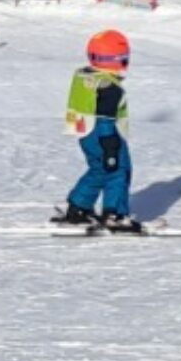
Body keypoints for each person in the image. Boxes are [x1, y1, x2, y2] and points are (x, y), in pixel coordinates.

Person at [56, 30, 143, 231]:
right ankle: (115, 214)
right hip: (105, 134)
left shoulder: (85, 76)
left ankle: (79, 208)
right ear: (120, 59)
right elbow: (105, 118)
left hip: (85, 133)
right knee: (118, 170)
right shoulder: (110, 87)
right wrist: (110, 143)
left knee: (99, 170)